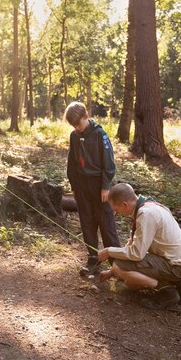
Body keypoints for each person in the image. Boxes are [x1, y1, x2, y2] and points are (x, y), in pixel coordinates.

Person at [98, 183, 181, 310]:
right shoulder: (147, 205)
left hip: (175, 265)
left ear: (125, 204)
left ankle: (167, 292)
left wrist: (108, 251)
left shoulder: (146, 214)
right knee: (130, 283)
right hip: (172, 260)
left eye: (116, 210)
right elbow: (134, 243)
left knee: (118, 266)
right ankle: (180, 283)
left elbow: (136, 254)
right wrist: (111, 272)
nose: (117, 214)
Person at [65, 101, 120, 276]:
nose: (76, 128)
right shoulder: (74, 136)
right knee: (87, 223)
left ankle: (117, 264)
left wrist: (105, 186)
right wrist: (74, 185)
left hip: (98, 185)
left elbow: (109, 164)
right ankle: (92, 260)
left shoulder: (100, 135)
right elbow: (72, 162)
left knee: (106, 223)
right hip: (82, 185)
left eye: (78, 124)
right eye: (73, 125)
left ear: (86, 116)